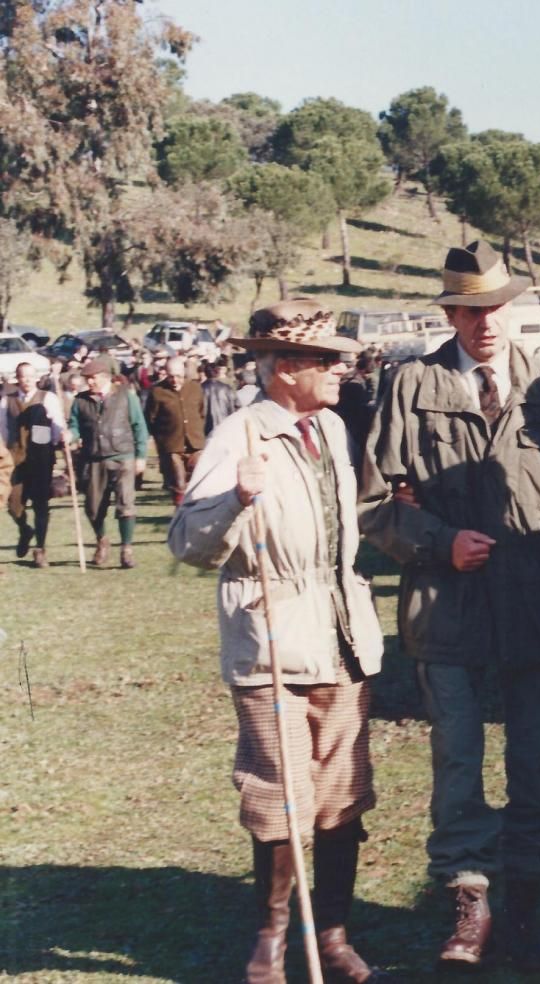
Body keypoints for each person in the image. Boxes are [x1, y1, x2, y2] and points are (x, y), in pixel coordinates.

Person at [358, 240, 540, 971]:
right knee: (457, 761)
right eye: (470, 310)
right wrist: (436, 540)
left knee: (537, 761)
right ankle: (468, 904)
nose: (485, 322)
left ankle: (526, 903)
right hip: (448, 604)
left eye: (496, 307)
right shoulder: (410, 386)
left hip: (534, 605)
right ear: (451, 314)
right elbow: (372, 505)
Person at [167, 300, 387, 984]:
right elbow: (187, 543)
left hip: (343, 640)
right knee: (280, 797)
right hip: (271, 643)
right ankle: (271, 937)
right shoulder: (242, 437)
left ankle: (336, 934)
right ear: (288, 369)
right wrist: (235, 498)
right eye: (328, 361)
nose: (342, 371)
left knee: (343, 794)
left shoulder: (334, 431)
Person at [68, 356, 148, 569]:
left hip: (123, 457)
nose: (89, 382)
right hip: (93, 459)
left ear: (104, 377)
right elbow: (75, 425)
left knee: (126, 505)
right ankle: (102, 540)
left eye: (92, 378)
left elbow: (139, 426)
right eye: (87, 378)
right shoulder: (80, 401)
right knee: (93, 508)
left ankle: (127, 550)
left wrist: (141, 456)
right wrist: (70, 435)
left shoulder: (126, 396)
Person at [3, 363, 65, 568]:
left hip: (40, 459)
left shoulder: (48, 398)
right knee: (13, 504)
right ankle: (24, 529)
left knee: (41, 505)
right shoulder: (7, 401)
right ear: (17, 378)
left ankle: (40, 548)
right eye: (23, 377)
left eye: (30, 376)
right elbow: (3, 428)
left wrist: (59, 441)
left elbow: (56, 426)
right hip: (15, 460)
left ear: (36, 378)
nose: (27, 380)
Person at [144, 355, 206, 505]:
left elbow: (202, 412)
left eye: (178, 376)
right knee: (179, 485)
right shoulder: (157, 392)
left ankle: (196, 513)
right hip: (172, 446)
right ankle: (180, 513)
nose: (175, 380)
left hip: (195, 444)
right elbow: (150, 419)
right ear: (165, 373)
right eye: (171, 377)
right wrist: (161, 440)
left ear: (184, 373)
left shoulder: (195, 388)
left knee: (198, 481)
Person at [202, 360, 238, 435]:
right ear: (217, 372)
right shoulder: (227, 388)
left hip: (207, 428)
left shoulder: (200, 388)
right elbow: (235, 406)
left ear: (205, 373)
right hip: (225, 425)